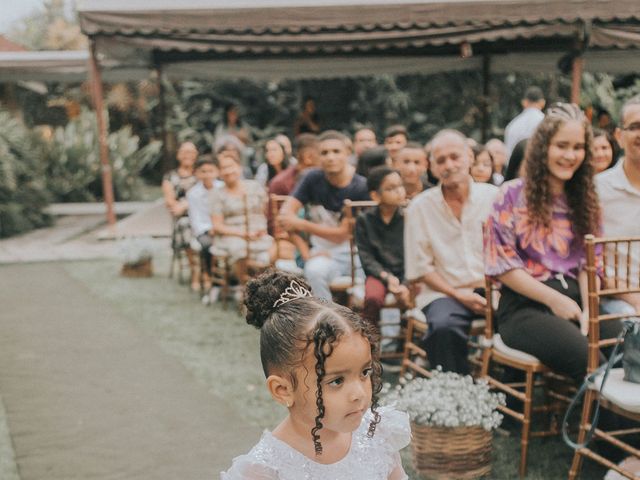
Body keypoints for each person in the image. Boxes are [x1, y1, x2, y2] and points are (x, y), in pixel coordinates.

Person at [220, 270, 410, 480]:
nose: (359, 393)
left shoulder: (377, 435)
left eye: (365, 372)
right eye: (337, 381)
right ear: (283, 390)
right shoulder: (265, 471)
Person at [484, 103, 622, 382]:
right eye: (562, 146)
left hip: (577, 300)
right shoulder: (510, 195)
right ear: (543, 147)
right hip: (524, 308)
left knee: (628, 348)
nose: (570, 155)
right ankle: (594, 426)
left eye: (578, 147)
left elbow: (589, 264)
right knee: (590, 361)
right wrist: (555, 300)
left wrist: (590, 311)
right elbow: (503, 265)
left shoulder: (587, 201)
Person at [404, 129, 498, 374]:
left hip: (492, 287)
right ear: (432, 167)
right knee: (444, 328)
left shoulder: (494, 198)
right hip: (442, 292)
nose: (449, 165)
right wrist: (458, 294)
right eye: (441, 160)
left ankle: (505, 394)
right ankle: (456, 395)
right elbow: (421, 268)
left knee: (519, 320)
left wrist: (492, 287)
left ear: (469, 157)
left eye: (455, 157)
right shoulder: (420, 207)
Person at [278, 130, 370, 300]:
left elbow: (342, 235)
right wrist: (306, 253)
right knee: (314, 271)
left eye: (336, 151)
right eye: (324, 153)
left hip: (355, 253)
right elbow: (284, 217)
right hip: (321, 252)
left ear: (348, 154)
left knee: (371, 283)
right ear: (318, 157)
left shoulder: (361, 186)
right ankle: (327, 321)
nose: (330, 157)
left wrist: (301, 224)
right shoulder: (312, 178)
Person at [597, 95, 640, 314]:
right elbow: (586, 262)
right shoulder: (598, 190)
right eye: (635, 127)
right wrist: (632, 298)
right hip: (617, 301)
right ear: (619, 136)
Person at [356, 166, 410, 328]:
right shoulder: (365, 220)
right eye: (391, 188)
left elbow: (416, 254)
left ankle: (407, 341)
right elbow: (366, 257)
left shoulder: (409, 216)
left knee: (416, 297)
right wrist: (386, 277)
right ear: (375, 195)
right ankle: (370, 342)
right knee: (372, 298)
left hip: (408, 272)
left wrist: (405, 284)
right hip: (379, 273)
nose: (399, 191)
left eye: (400, 186)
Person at [210, 149, 274, 280]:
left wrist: (261, 229)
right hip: (232, 235)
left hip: (258, 233)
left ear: (239, 167)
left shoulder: (254, 186)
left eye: (231, 166)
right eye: (224, 168)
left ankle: (263, 282)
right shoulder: (216, 193)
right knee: (240, 250)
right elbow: (217, 226)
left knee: (275, 245)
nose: (228, 171)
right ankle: (245, 287)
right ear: (219, 172)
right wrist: (244, 234)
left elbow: (266, 211)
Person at [162, 141, 199, 290]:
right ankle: (197, 271)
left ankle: (204, 270)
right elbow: (170, 202)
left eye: (191, 152)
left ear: (196, 155)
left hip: (202, 216)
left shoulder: (202, 173)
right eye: (184, 152)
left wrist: (186, 205)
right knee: (185, 225)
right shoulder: (170, 176)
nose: (187, 155)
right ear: (178, 155)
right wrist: (185, 208)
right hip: (183, 219)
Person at [186, 155, 221, 290]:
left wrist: (218, 227)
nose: (207, 175)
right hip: (204, 229)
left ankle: (231, 278)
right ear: (197, 173)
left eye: (210, 171)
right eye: (203, 171)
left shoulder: (222, 188)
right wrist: (209, 229)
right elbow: (196, 219)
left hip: (222, 227)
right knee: (207, 245)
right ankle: (209, 275)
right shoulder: (193, 193)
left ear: (217, 171)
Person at [504, 86, 546, 159]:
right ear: (543, 102)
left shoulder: (512, 125)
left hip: (514, 167)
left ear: (524, 102)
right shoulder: (546, 122)